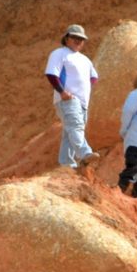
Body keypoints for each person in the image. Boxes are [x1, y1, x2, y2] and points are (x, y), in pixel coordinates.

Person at [45, 24, 98, 170]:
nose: (78, 41)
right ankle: (85, 153)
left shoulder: (85, 60)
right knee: (75, 127)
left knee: (69, 132)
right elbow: (51, 73)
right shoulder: (59, 53)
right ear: (67, 38)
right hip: (68, 99)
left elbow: (94, 76)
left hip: (82, 102)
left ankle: (67, 165)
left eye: (81, 39)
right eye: (75, 37)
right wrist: (62, 92)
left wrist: (85, 88)